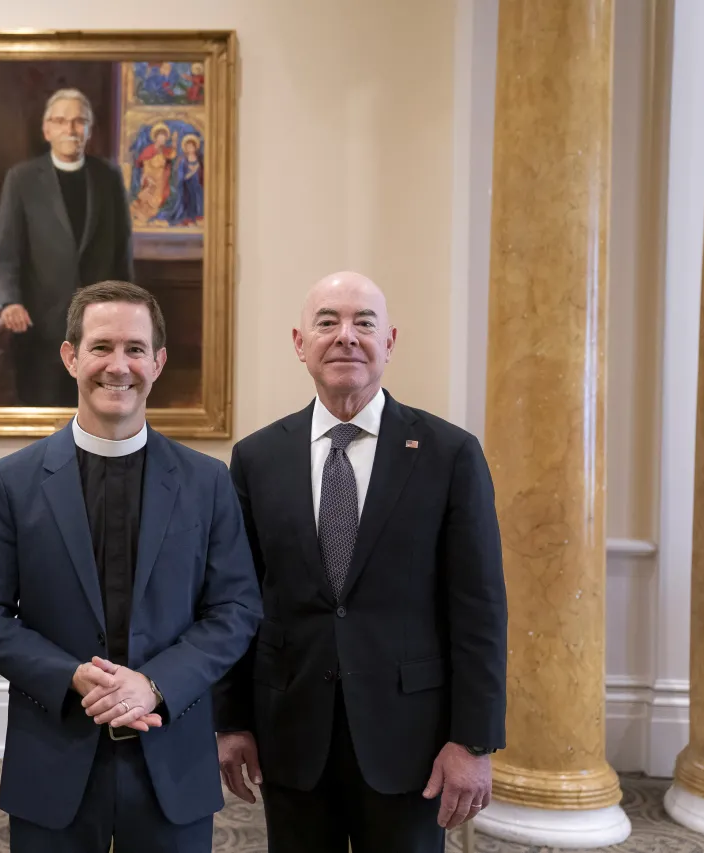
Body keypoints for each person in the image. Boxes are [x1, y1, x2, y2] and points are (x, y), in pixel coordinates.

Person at [0, 280, 263, 852]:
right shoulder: (10, 482)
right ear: (71, 356)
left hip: (170, 758)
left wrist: (154, 685)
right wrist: (70, 676)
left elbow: (236, 610)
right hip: (54, 755)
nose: (117, 366)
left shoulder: (207, 482)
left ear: (158, 362)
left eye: (135, 349)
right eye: (101, 347)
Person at [215, 271, 508, 853]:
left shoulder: (450, 454)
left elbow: (478, 607)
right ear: (300, 343)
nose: (346, 336)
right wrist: (231, 720)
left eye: (363, 323)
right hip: (292, 732)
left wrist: (472, 742)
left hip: (411, 741)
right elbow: (237, 601)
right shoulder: (257, 457)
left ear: (390, 342)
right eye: (327, 322)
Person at [0, 89, 134, 407]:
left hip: (102, 326)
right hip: (40, 327)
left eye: (79, 121)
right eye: (61, 121)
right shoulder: (22, 179)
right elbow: (6, 253)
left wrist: (126, 308)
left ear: (89, 129)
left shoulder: (108, 177)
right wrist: (9, 301)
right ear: (47, 130)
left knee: (99, 412)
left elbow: (122, 254)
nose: (70, 130)